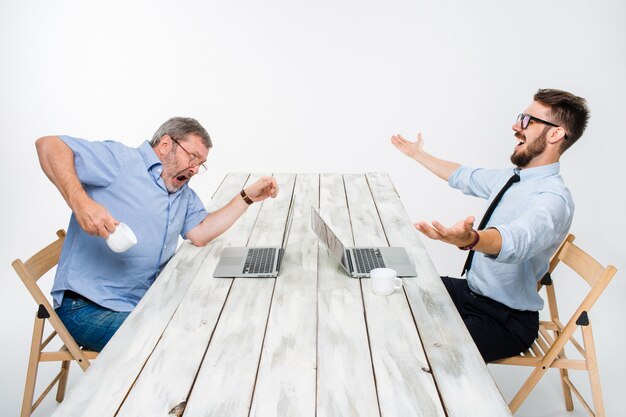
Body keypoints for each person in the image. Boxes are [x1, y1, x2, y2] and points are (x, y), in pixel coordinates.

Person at [36, 117, 279, 351]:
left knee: (210, 319)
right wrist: (81, 203)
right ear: (165, 145)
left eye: (200, 163)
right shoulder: (121, 162)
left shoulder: (180, 191)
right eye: (192, 157)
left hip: (143, 302)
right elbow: (48, 145)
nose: (195, 169)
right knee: (179, 342)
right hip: (86, 308)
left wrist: (247, 197)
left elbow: (201, 232)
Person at [390, 89, 589, 361]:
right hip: (471, 294)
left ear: (555, 134)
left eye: (528, 121)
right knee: (394, 287)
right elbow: (463, 176)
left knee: (421, 352)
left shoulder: (553, 200)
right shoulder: (515, 178)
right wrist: (417, 154)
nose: (516, 126)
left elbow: (516, 240)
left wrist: (471, 240)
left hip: (504, 321)